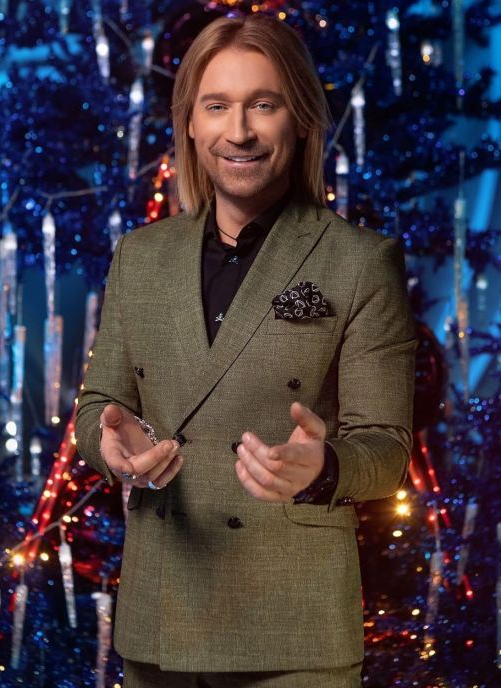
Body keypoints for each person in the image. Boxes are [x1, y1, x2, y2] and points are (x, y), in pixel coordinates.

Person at [75, 13, 417, 688]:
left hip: (293, 627)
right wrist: (112, 445)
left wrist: (324, 466)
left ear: (301, 119)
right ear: (189, 124)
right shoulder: (140, 257)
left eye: (263, 104)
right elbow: (100, 404)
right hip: (160, 617)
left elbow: (388, 448)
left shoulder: (359, 261)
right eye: (217, 106)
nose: (238, 131)